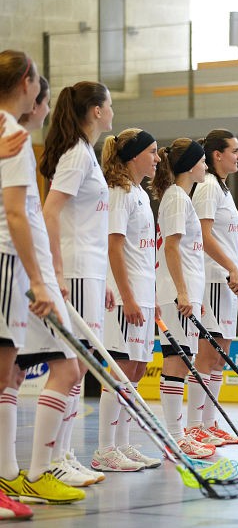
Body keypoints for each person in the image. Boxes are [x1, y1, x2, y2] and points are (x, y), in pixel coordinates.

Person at [0, 54, 85, 506]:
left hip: (21, 270)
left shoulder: (12, 138)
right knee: (20, 373)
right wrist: (38, 279)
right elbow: (16, 214)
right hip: (13, 268)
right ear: (27, 84)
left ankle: (11, 473)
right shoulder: (11, 135)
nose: (46, 107)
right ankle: (30, 472)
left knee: (10, 373)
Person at [40, 80, 114, 486]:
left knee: (80, 368)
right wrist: (57, 269)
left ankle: (64, 454)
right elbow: (51, 212)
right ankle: (55, 459)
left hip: (89, 270)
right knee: (72, 367)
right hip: (74, 269)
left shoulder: (86, 153)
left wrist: (100, 277)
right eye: (110, 104)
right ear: (97, 111)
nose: (112, 109)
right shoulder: (76, 155)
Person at [92, 128, 162, 472]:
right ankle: (105, 448)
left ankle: (123, 443)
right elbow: (114, 247)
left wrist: (150, 296)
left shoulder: (140, 194)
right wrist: (129, 297)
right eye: (152, 151)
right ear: (134, 156)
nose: (157, 158)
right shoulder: (118, 192)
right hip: (125, 295)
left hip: (143, 293)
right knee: (120, 367)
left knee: (137, 367)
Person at [151, 138, 214, 459]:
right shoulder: (176, 198)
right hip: (176, 294)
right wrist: (183, 292)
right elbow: (172, 248)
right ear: (190, 165)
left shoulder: (181, 198)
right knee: (176, 363)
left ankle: (177, 437)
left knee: (182, 363)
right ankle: (175, 438)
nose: (206, 166)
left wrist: (193, 293)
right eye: (203, 161)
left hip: (183, 293)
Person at [189, 129, 238, 447]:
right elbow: (204, 235)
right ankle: (196, 425)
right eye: (234, 151)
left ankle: (209, 424)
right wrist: (231, 268)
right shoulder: (208, 187)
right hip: (212, 278)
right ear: (217, 155)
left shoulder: (223, 190)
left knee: (220, 357)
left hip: (226, 282)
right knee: (207, 355)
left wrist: (236, 274)